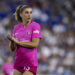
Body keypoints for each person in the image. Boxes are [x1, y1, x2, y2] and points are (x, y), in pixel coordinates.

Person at [7, 5, 41, 75]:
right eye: (26, 12)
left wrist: (18, 42)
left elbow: (35, 44)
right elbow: (12, 49)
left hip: (30, 62)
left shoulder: (35, 26)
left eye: (30, 13)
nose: (29, 15)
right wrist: (12, 41)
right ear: (21, 14)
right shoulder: (16, 28)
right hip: (18, 61)